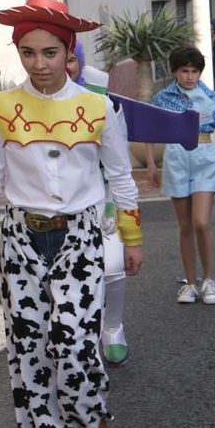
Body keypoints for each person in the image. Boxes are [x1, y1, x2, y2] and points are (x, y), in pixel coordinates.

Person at [0, 0, 143, 428]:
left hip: (78, 236)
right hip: (19, 239)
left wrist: (131, 236)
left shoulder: (98, 106)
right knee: (30, 343)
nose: (40, 64)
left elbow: (121, 176)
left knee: (73, 341)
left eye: (50, 53)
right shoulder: (1, 108)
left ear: (68, 51)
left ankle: (92, 426)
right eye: (29, 53)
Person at [151, 45, 215, 306]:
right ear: (175, 72)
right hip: (176, 159)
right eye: (184, 71)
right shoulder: (163, 98)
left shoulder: (210, 97)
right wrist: (151, 165)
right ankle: (190, 283)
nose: (190, 76)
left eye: (194, 71)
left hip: (205, 160)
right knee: (185, 226)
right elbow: (149, 127)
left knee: (201, 222)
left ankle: (209, 279)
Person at [64, 45, 133, 365]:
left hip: (100, 201)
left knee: (114, 265)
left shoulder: (100, 99)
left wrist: (127, 222)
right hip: (52, 212)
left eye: (70, 59)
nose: (63, 66)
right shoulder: (26, 104)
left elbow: (119, 165)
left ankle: (113, 326)